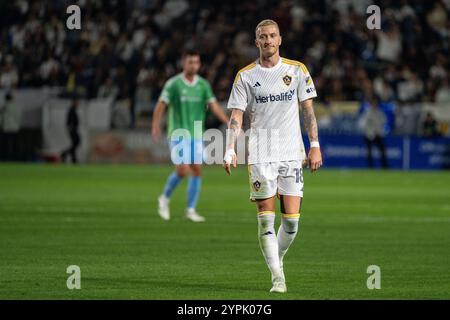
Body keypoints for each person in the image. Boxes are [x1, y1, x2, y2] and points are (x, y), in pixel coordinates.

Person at [223, 20, 322, 293]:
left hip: (292, 153)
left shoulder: (297, 70)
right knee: (266, 219)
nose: (268, 41)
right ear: (256, 42)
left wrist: (314, 144)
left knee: (291, 223)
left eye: (272, 36)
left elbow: (308, 111)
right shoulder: (245, 76)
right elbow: (236, 117)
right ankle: (277, 277)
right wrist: (230, 149)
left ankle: (275, 259)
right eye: (262, 37)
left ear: (280, 39)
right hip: (261, 153)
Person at [152, 49, 229, 222]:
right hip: (178, 132)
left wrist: (227, 121)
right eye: (190, 62)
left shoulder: (203, 85)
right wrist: (155, 124)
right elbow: (161, 104)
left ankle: (190, 209)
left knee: (196, 170)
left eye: (196, 62)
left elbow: (214, 105)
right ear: (183, 63)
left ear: (199, 64)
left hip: (196, 133)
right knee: (182, 169)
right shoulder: (173, 84)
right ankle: (164, 198)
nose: (193, 65)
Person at [359, 98, 389, 168]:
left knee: (382, 151)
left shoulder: (380, 112)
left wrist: (381, 131)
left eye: (376, 103)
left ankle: (384, 166)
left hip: (378, 134)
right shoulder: (367, 112)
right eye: (373, 103)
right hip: (369, 135)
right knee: (369, 152)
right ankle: (370, 167)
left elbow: (384, 122)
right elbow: (362, 124)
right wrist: (367, 130)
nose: (374, 105)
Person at [0, 92, 21, 160]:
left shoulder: (3, 107)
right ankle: (14, 157)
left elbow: (1, 118)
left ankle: (5, 157)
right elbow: (18, 117)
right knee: (14, 144)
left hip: (5, 128)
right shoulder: (16, 106)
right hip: (14, 128)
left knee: (5, 144)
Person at [60, 99, 81, 163]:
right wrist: (71, 128)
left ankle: (73, 159)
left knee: (74, 144)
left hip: (73, 129)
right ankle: (65, 154)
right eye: (77, 103)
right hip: (73, 129)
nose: (78, 104)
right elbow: (69, 121)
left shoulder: (73, 109)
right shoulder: (71, 110)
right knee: (76, 143)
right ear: (74, 103)